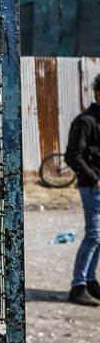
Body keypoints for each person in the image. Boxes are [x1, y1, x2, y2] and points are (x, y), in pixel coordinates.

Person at [65, 72, 100, 307]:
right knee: (94, 235)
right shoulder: (85, 121)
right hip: (92, 187)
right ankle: (78, 287)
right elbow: (72, 155)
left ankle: (90, 280)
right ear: (98, 94)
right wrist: (94, 179)